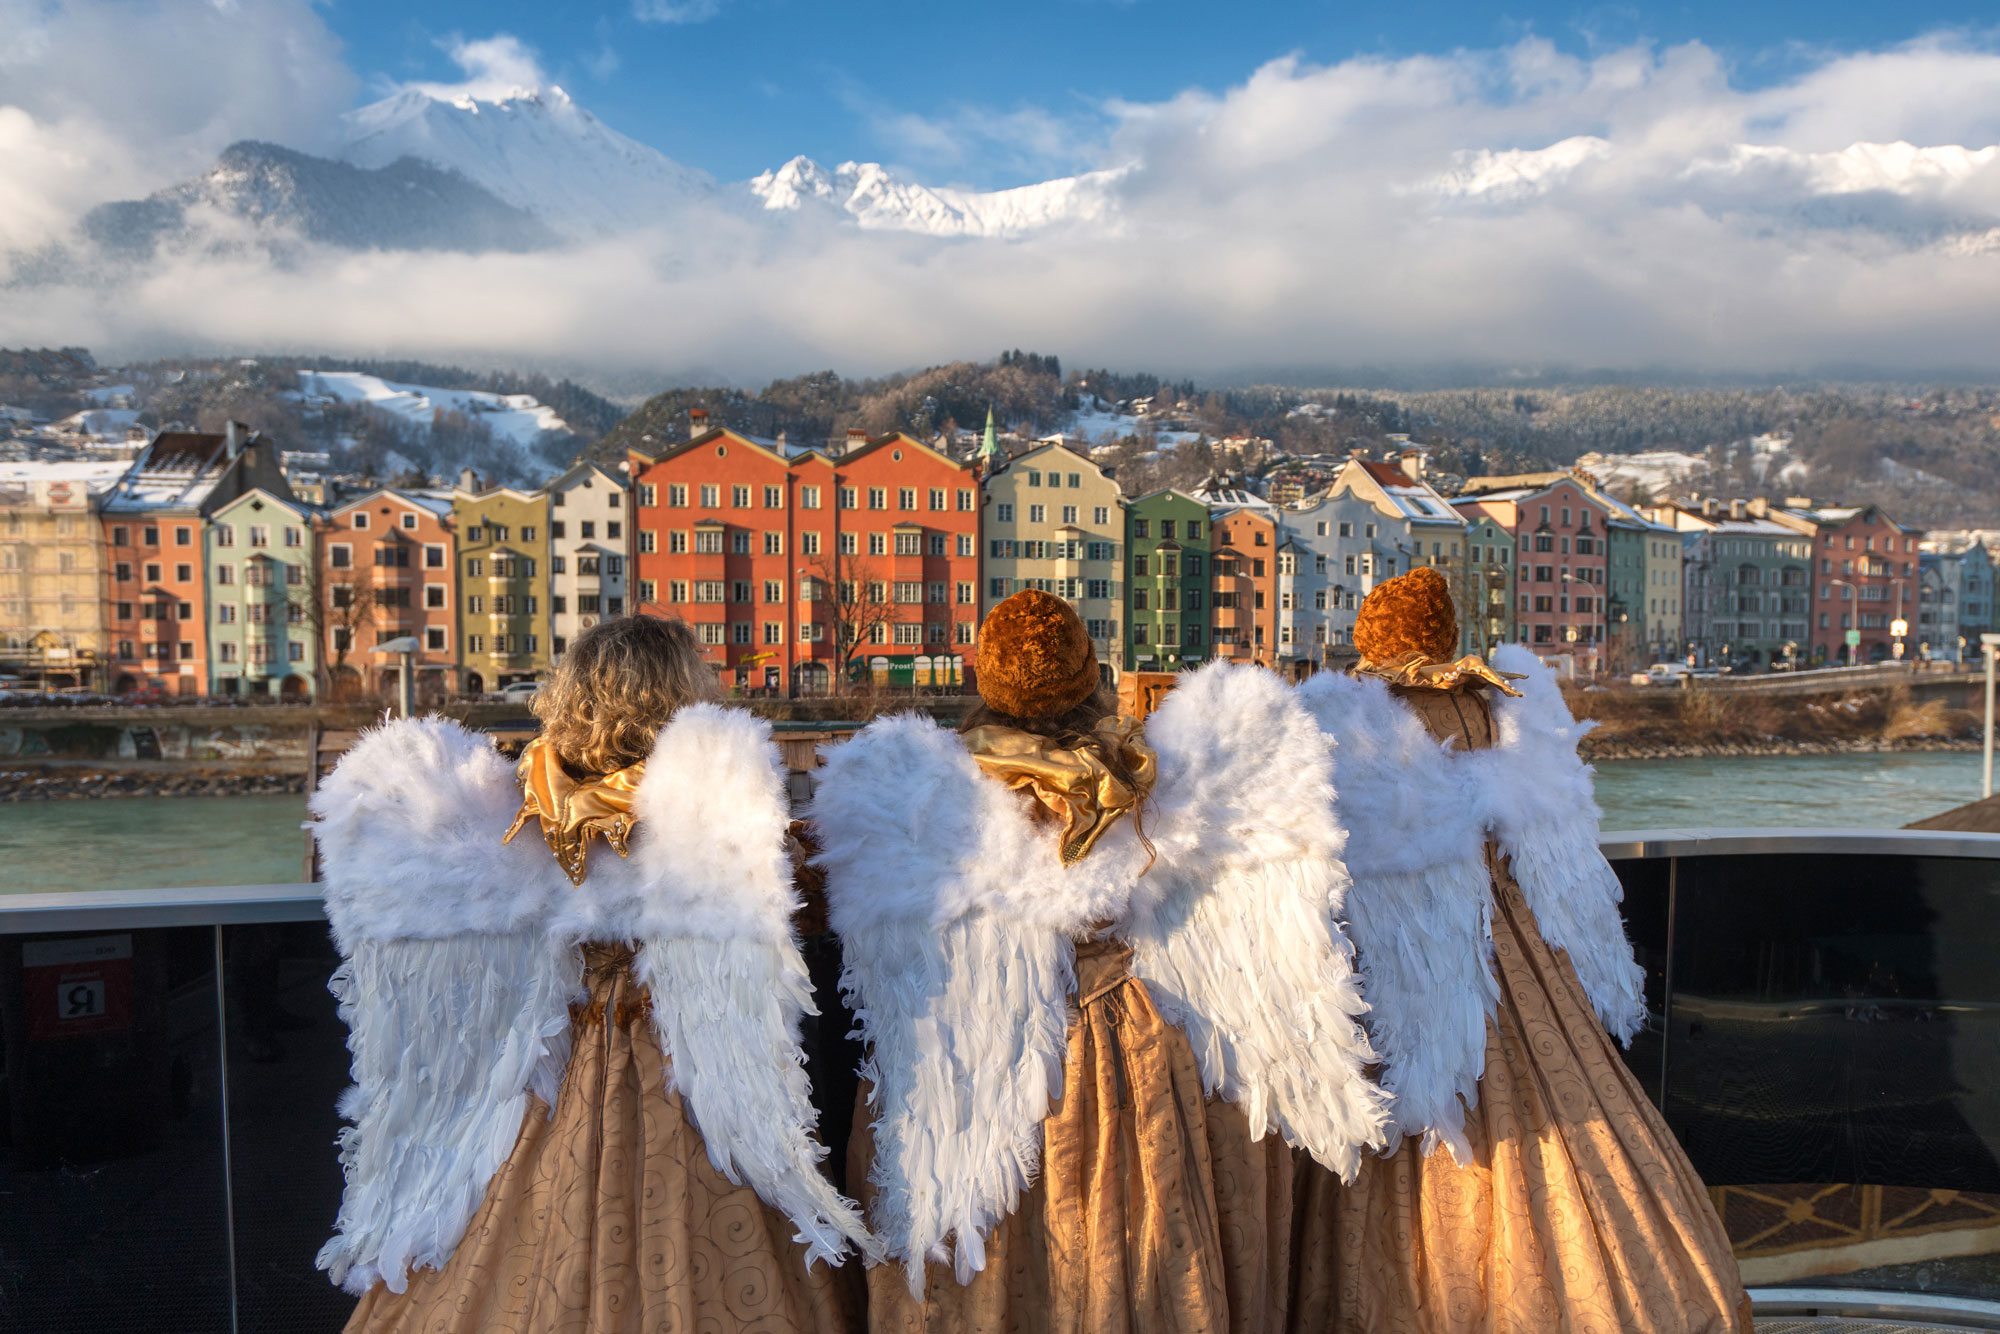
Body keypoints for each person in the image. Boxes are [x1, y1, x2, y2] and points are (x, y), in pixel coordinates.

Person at [811, 589, 1387, 1332]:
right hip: (1118, 1051)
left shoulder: (917, 797)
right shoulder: (1143, 780)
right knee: (1124, 1242)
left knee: (985, 1241)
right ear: (1088, 677)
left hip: (969, 1064)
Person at [309, 615, 875, 1334]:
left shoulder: (513, 803)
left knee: (523, 1232)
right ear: (681, 693)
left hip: (557, 1055)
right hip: (688, 1065)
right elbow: (798, 898)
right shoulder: (709, 808)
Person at [1290, 567, 1749, 1334]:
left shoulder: (1345, 721)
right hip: (1518, 950)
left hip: (1400, 956)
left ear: (1371, 636)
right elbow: (1557, 856)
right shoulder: (1498, 704)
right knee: (1571, 1104)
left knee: (1408, 1133)